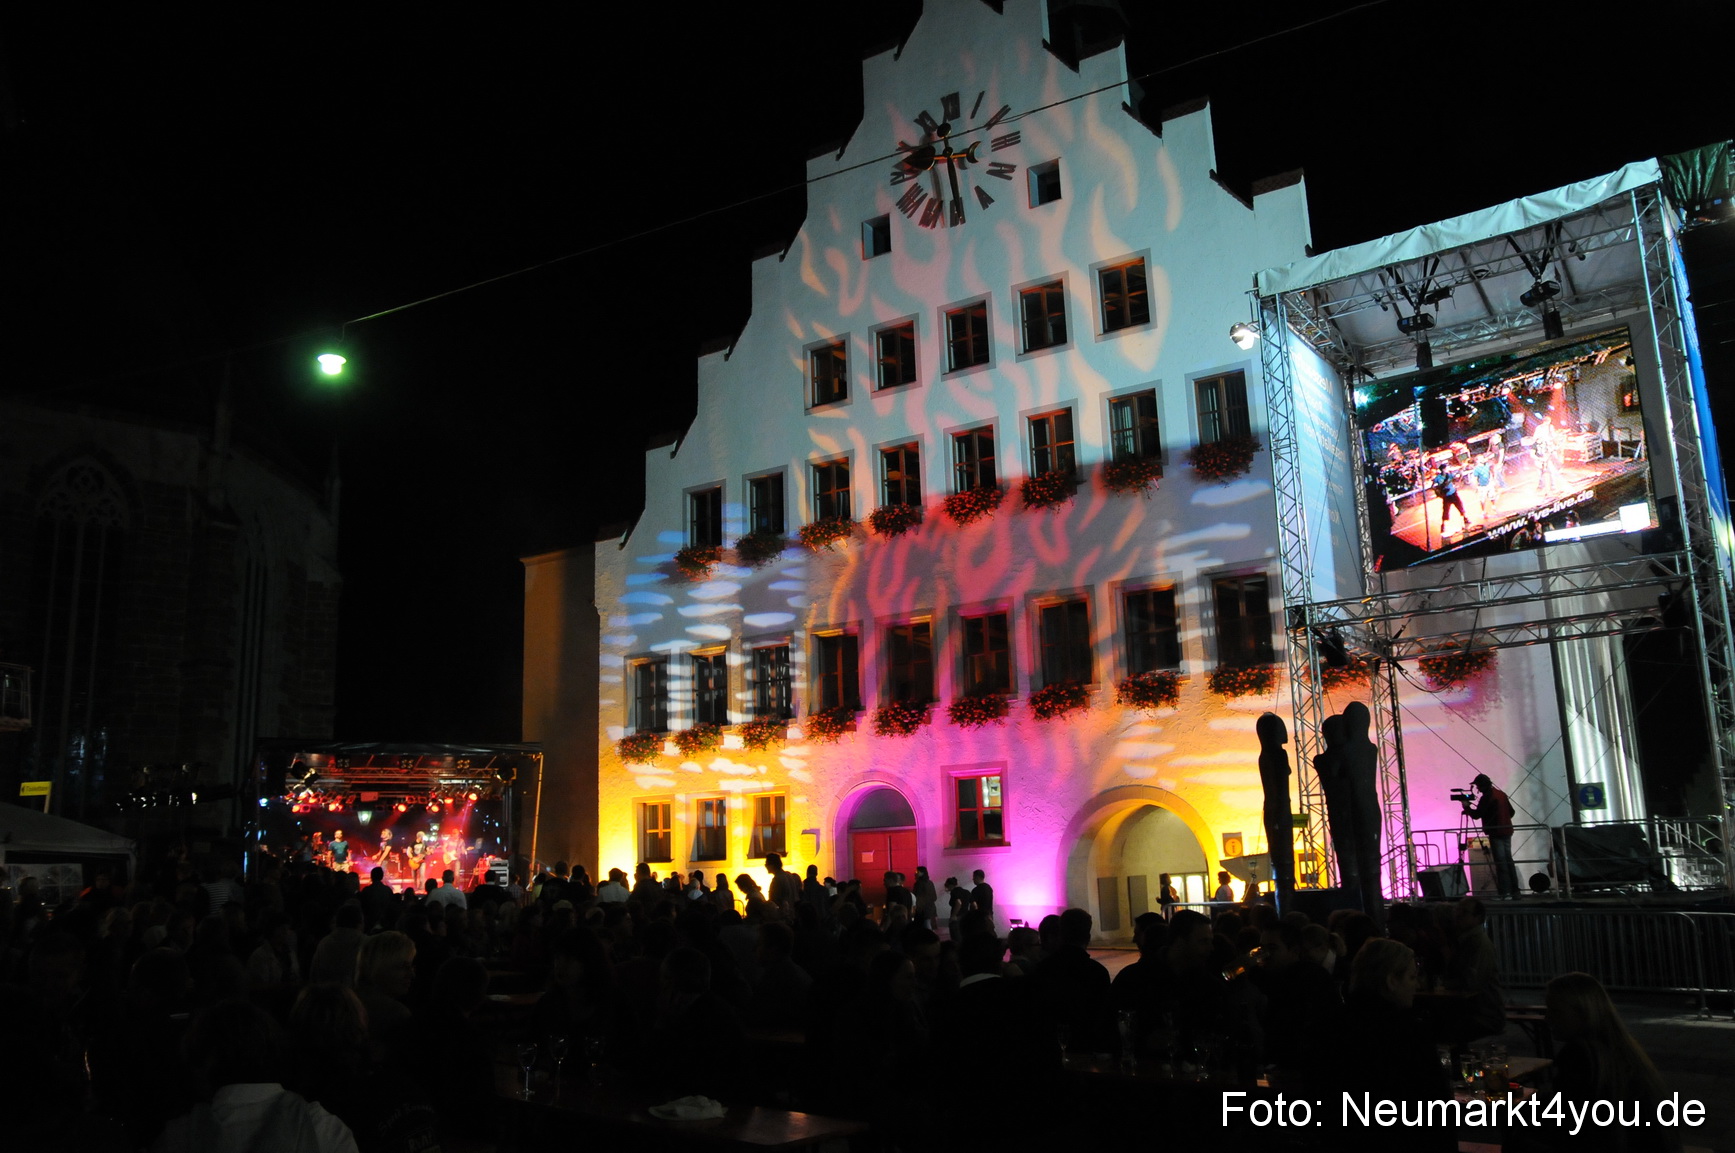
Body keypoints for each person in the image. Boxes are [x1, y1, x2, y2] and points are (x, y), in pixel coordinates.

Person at [1466, 773, 1519, 898]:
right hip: (1507, 831)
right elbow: (1511, 812)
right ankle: (1515, 891)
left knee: (1501, 862)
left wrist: (1467, 807)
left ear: (1482, 785)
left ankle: (1505, 892)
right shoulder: (1501, 794)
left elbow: (1477, 815)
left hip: (1496, 832)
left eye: (1478, 786)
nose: (1477, 789)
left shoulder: (1487, 797)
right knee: (1508, 860)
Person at [969, 869, 995, 935]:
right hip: (989, 915)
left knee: (979, 936)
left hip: (979, 917)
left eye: (974, 877)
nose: (973, 879)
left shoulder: (976, 890)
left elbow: (974, 905)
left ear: (977, 877)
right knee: (989, 934)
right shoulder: (989, 888)